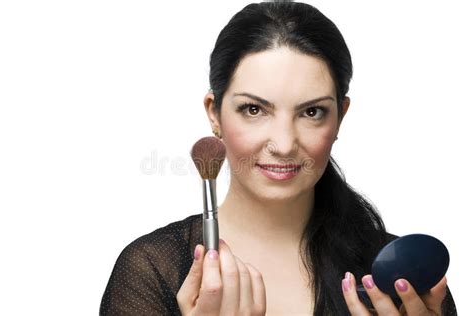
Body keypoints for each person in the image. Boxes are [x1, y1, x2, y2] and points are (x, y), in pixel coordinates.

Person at [100, 1, 457, 315]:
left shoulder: (398, 280)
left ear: (341, 116)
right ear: (214, 113)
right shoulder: (152, 269)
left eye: (312, 112)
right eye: (254, 109)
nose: (284, 144)